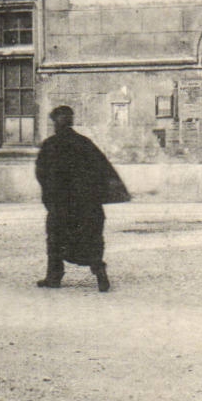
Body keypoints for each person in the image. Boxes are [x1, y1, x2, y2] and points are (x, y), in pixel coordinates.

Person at [34, 105, 128, 292]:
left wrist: (50, 198)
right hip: (86, 204)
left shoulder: (50, 145)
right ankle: (100, 273)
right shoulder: (84, 143)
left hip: (62, 205)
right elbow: (103, 170)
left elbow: (42, 174)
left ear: (55, 123)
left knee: (55, 239)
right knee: (91, 239)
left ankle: (54, 277)